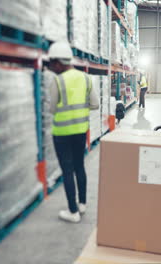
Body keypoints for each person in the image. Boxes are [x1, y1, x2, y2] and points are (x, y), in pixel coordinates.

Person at [47, 42, 99, 223]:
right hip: (80, 131)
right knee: (79, 166)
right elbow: (95, 104)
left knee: (67, 170)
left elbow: (52, 108)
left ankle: (73, 211)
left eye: (52, 63)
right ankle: (82, 204)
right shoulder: (85, 78)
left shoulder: (58, 81)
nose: (52, 68)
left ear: (59, 62)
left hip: (61, 133)